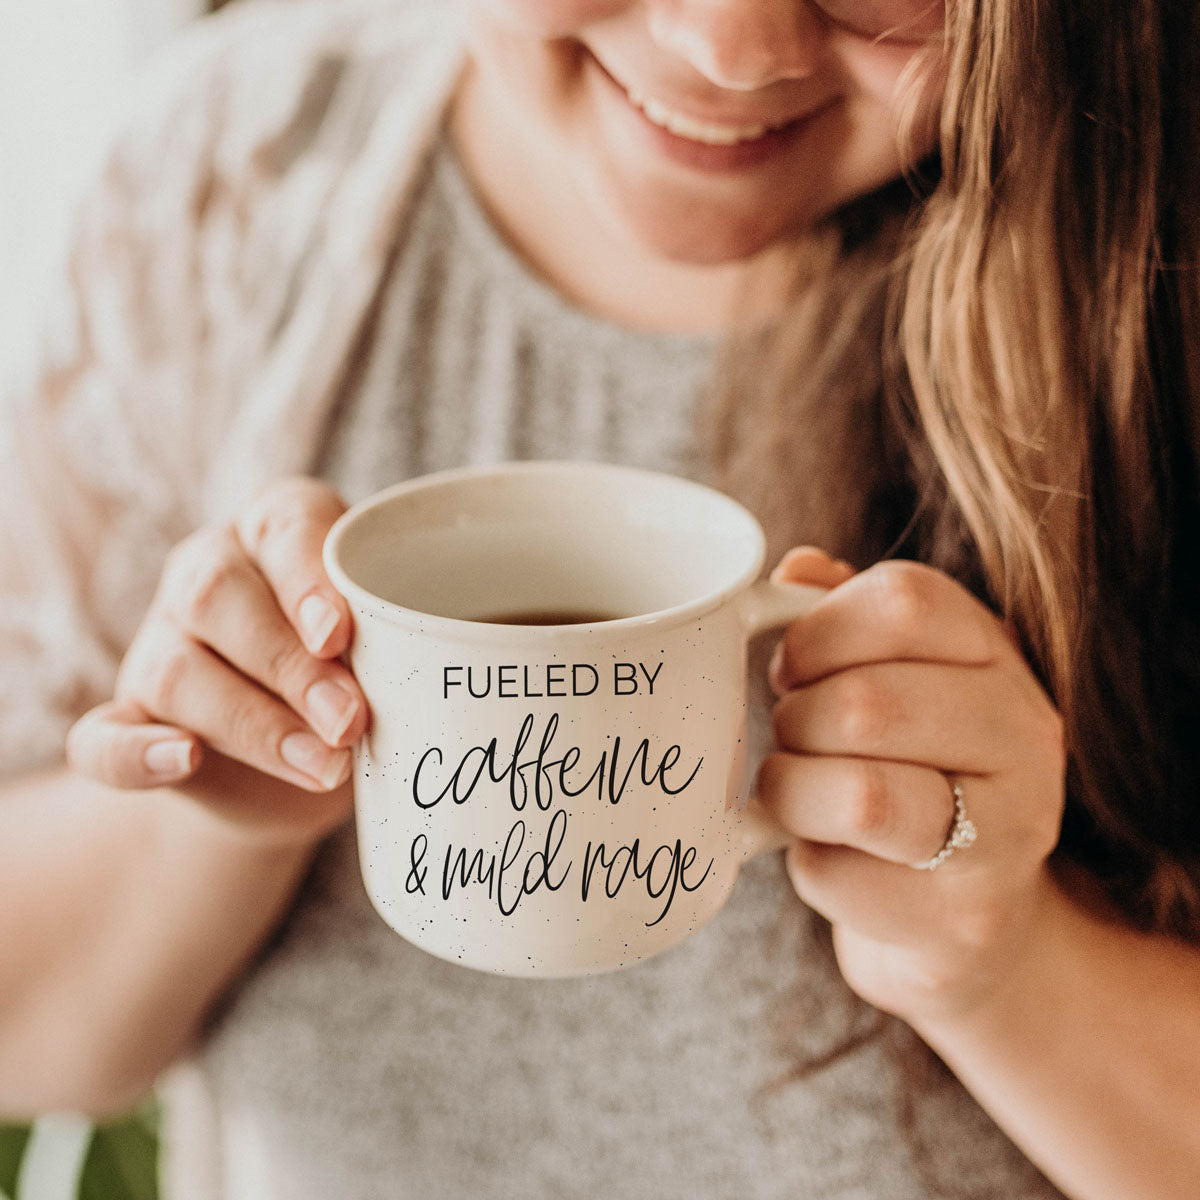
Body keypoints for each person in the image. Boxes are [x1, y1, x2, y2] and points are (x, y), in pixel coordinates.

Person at [1, 0, 1197, 1197]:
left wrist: (1015, 974)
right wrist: (219, 808)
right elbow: (30, 1032)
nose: (729, 48)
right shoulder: (234, 179)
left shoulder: (1157, 263)